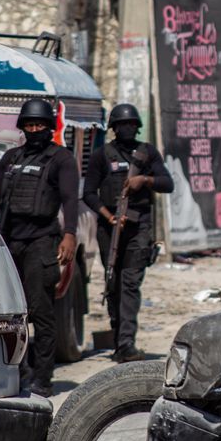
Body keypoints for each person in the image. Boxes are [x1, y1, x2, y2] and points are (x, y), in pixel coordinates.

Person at [0, 98, 78, 397]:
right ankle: (19, 372)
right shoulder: (11, 158)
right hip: (10, 241)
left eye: (39, 125)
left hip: (42, 241)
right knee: (13, 312)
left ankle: (43, 378)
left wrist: (69, 235)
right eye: (29, 125)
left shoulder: (61, 159)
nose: (34, 129)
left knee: (40, 311)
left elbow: (70, 199)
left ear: (49, 127)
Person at [83, 103, 173, 362]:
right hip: (109, 228)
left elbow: (167, 183)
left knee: (130, 284)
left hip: (138, 227)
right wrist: (109, 216)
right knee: (113, 283)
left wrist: (144, 180)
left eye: (132, 124)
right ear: (114, 127)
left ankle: (126, 344)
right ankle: (118, 338)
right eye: (122, 124)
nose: (128, 128)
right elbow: (89, 193)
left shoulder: (147, 153)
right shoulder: (102, 155)